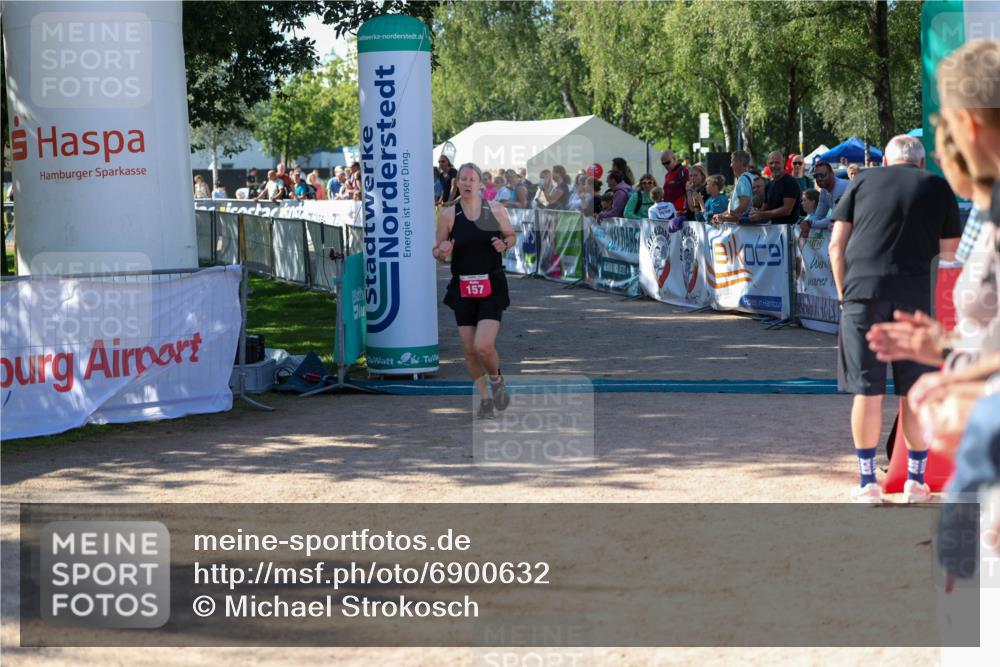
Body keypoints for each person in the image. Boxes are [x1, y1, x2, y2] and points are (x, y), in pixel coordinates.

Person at [828, 134, 961, 503]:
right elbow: (948, 261)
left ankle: (868, 482)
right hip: (916, 298)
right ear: (921, 164)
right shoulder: (938, 186)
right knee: (915, 394)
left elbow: (836, 246)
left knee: (867, 391)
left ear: (885, 162)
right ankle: (916, 483)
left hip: (861, 295)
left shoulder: (860, 181)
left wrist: (844, 297)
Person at [433, 163, 517, 420]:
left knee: (483, 345)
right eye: (463, 179)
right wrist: (442, 251)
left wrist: (505, 244)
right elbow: (436, 251)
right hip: (463, 286)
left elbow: (511, 236)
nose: (467, 183)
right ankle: (485, 399)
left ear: (481, 184)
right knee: (469, 351)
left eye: (472, 179)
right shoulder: (448, 215)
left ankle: (497, 380)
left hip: (491, 284)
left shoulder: (495, 210)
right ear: (457, 184)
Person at [748, 152, 801, 225]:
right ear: (767, 164)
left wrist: (761, 214)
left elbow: (786, 210)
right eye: (771, 163)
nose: (774, 166)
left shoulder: (790, 182)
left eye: (777, 163)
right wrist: (755, 212)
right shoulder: (769, 185)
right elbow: (764, 208)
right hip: (773, 230)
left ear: (783, 163)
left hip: (789, 231)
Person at [714, 150, 753, 223]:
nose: (730, 165)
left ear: (739, 162)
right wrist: (721, 215)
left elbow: (744, 206)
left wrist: (724, 217)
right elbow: (735, 208)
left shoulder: (743, 179)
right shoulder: (749, 177)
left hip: (742, 228)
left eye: (732, 162)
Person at [811, 160, 850, 231]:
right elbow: (818, 216)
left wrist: (810, 224)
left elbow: (835, 218)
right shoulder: (824, 190)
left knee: (832, 226)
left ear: (832, 174)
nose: (819, 178)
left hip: (865, 222)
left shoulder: (840, 186)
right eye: (816, 176)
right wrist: (809, 222)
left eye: (822, 175)